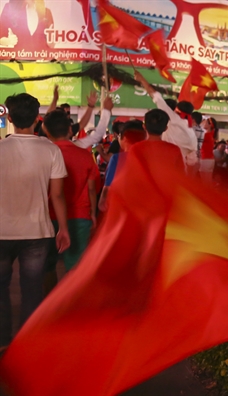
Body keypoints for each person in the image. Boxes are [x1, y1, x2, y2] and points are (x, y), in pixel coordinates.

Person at [0, 93, 70, 346]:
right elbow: (58, 195)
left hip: (1, 231)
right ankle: (25, 345)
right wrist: (62, 227)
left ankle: (2, 342)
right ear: (37, 119)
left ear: (9, 117)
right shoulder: (51, 150)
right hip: (37, 232)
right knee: (32, 290)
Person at [42, 108, 98, 277]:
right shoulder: (85, 155)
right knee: (76, 268)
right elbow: (91, 188)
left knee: (48, 266)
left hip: (48, 217)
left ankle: (52, 301)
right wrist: (93, 213)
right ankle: (70, 301)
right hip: (79, 216)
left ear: (46, 131)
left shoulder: (44, 154)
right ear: (69, 130)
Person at [134, 71, 198, 171]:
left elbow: (155, 96)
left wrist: (142, 79)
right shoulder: (191, 132)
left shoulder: (174, 119)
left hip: (161, 167)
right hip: (180, 171)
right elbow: (192, 160)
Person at [98, 121, 147, 212]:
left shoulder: (117, 158)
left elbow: (108, 186)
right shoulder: (148, 158)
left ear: (124, 138)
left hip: (122, 207)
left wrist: (102, 200)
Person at [200, 116, 217, 182]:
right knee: (208, 181)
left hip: (205, 159)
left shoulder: (206, 135)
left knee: (204, 181)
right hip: (210, 159)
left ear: (210, 125)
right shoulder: (211, 134)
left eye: (205, 122)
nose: (204, 124)